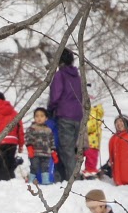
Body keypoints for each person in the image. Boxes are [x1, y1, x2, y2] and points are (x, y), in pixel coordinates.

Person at [48, 49, 86, 181]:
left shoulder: (60, 75)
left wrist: (50, 109)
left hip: (64, 115)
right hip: (77, 116)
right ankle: (71, 176)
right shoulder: (77, 76)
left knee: (66, 150)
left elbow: (56, 95)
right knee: (71, 149)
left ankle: (73, 180)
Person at [24, 107, 55, 185]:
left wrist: (53, 151)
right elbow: (28, 138)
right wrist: (30, 147)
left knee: (45, 167)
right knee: (34, 166)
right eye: (37, 116)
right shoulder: (32, 128)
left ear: (46, 118)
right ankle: (31, 181)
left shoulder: (49, 130)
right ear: (34, 118)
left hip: (46, 153)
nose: (39, 118)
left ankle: (45, 180)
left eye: (42, 116)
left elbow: (51, 141)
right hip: (35, 153)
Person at [82, 103, 104, 177]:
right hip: (91, 142)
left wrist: (81, 128)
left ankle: (90, 171)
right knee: (90, 159)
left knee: (91, 159)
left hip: (91, 142)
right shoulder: (94, 113)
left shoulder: (93, 113)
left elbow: (90, 126)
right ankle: (88, 170)